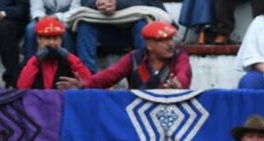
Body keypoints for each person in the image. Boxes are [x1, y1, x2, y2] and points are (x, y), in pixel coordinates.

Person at [58, 20, 189, 89]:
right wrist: (84, 84)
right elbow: (109, 75)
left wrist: (179, 85)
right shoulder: (134, 58)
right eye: (164, 41)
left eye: (171, 39)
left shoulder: (179, 57)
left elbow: (183, 74)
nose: (171, 44)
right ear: (149, 45)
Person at [66, 0, 169, 73]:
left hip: (131, 34)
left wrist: (118, 3)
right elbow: (84, 3)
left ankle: (144, 72)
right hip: (103, 32)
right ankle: (87, 75)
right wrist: (98, 3)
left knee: (142, 25)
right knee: (85, 26)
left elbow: (154, 4)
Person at [17, 16, 92, 89]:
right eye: (47, 38)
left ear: (61, 40)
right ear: (38, 39)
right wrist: (35, 60)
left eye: (55, 38)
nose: (52, 42)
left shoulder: (69, 62)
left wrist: (69, 57)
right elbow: (22, 87)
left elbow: (89, 83)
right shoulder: (32, 63)